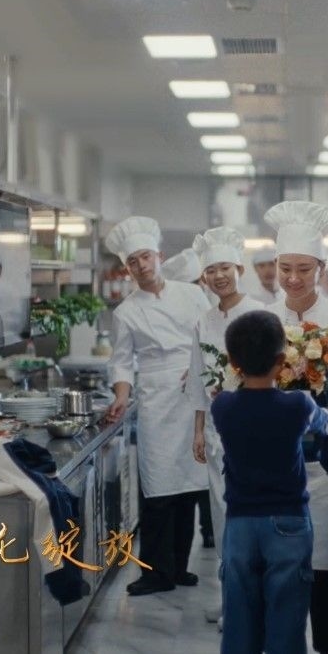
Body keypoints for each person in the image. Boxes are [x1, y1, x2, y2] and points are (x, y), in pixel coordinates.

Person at [263, 200, 328, 654]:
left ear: (321, 269)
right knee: (280, 571)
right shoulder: (262, 320)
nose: (292, 278)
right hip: (274, 460)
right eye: (285, 268)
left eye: (303, 269)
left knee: (325, 571)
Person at [209, 310, 328, 654]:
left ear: (233, 363)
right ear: (282, 361)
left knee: (239, 618)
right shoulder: (297, 404)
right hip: (289, 521)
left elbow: (230, 401)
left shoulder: (223, 407)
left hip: (240, 523)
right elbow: (324, 422)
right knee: (287, 617)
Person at [103, 217, 211, 596]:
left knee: (189, 486)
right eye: (133, 261)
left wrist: (201, 369)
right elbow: (121, 362)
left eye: (145, 257)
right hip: (155, 400)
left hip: (193, 394)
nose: (141, 265)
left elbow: (210, 338)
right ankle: (155, 573)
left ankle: (178, 568)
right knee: (158, 488)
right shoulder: (126, 312)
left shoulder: (192, 295)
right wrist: (121, 395)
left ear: (159, 257)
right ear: (127, 269)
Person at [185, 226, 266, 627]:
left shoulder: (260, 314)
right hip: (219, 435)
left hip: (255, 432)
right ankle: (231, 595)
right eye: (210, 270)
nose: (218, 276)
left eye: (225, 268)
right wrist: (199, 430)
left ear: (239, 269)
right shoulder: (203, 320)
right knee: (223, 516)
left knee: (251, 517)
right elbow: (200, 377)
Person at [162, 246, 216, 546]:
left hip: (208, 401)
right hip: (177, 405)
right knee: (188, 469)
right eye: (196, 283)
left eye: (201, 282)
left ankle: (209, 529)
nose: (201, 288)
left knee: (207, 466)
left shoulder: (211, 307)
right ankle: (201, 531)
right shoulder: (174, 312)